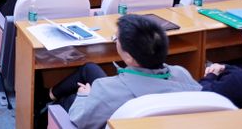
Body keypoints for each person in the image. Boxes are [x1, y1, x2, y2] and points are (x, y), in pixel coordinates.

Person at [49, 14, 200, 129]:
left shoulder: (106, 90)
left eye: (117, 39)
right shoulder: (182, 75)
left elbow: (79, 120)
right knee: (90, 69)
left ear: (129, 57)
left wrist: (83, 96)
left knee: (69, 99)